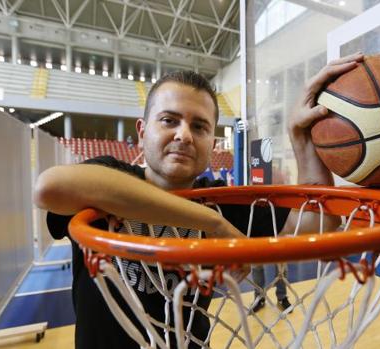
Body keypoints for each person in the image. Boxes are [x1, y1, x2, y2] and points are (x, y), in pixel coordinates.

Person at [34, 53, 362, 349]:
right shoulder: (106, 178)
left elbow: (317, 224)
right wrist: (212, 223)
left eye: (200, 126)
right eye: (169, 120)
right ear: (142, 130)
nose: (184, 134)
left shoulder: (220, 198)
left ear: (211, 141)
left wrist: (300, 136)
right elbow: (49, 187)